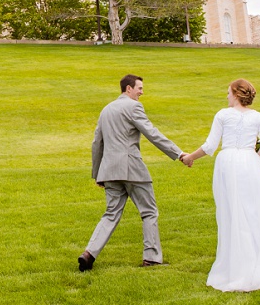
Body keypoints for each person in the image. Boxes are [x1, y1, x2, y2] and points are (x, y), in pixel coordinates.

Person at [182, 78, 260, 292]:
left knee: (231, 212)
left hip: (228, 164)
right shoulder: (258, 117)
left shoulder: (223, 115)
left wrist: (189, 157)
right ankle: (258, 263)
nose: (227, 96)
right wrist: (255, 155)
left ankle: (236, 265)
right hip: (251, 164)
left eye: (228, 92)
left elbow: (211, 145)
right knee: (254, 212)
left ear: (237, 94)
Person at [78, 74, 188, 271]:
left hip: (109, 171)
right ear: (128, 89)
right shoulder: (133, 107)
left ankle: (89, 254)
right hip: (132, 168)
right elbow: (152, 133)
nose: (142, 92)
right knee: (149, 211)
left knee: (111, 214)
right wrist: (178, 153)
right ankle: (151, 258)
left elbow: (97, 144)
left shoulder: (106, 110)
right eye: (139, 88)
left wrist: (98, 174)